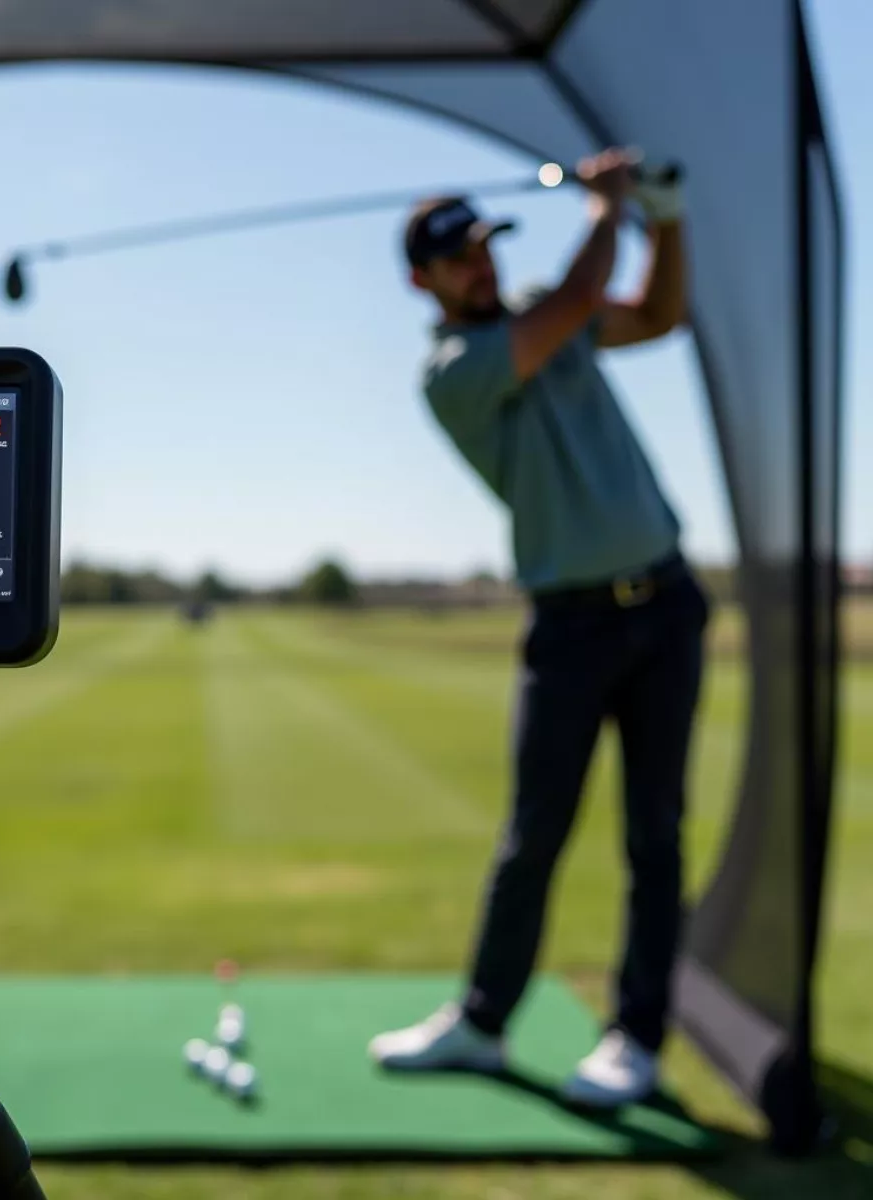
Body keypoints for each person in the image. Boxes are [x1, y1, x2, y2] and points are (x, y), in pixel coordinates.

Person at [368, 148, 711, 1107]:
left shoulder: (550, 326)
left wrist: (668, 219)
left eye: (484, 249)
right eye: (459, 259)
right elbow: (573, 299)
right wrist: (610, 208)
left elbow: (658, 315)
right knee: (534, 837)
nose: (481, 266)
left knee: (657, 834)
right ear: (421, 282)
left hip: (668, 604)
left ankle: (635, 1039)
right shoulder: (455, 371)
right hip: (570, 625)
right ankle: (481, 1023)